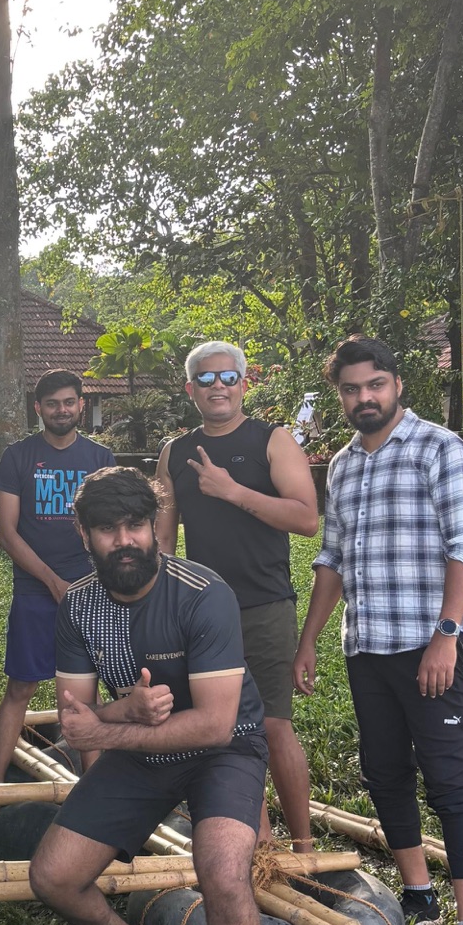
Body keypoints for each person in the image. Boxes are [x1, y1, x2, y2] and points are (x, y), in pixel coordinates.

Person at [29, 467, 272, 925]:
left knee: (221, 873)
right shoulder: (80, 605)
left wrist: (109, 729)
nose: (126, 540)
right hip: (140, 749)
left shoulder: (202, 593)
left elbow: (215, 724)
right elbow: (75, 718)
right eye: (108, 529)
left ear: (157, 527)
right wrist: (122, 717)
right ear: (84, 534)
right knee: (52, 876)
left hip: (227, 750)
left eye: (137, 525)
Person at [293, 335, 463, 925]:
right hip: (368, 647)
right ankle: (417, 892)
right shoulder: (344, 465)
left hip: (430, 646)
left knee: (451, 781)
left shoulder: (441, 449)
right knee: (384, 771)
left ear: (398, 384)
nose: (363, 399)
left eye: (374, 385)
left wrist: (445, 634)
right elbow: (332, 559)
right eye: (351, 390)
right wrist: (310, 640)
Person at [156, 341, 321, 853]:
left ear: (244, 384)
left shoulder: (274, 441)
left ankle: (304, 846)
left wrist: (233, 492)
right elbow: (163, 539)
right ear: (191, 390)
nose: (218, 387)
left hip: (265, 605)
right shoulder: (174, 452)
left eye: (228, 377)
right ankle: (256, 844)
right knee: (220, 729)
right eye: (205, 380)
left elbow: (307, 519)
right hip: (203, 612)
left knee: (273, 725)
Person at [0, 370, 114, 782]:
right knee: (20, 688)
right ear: (38, 408)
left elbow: (110, 527)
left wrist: (88, 583)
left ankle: (93, 786)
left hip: (92, 592)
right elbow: (7, 533)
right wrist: (52, 581)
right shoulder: (19, 457)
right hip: (34, 591)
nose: (62, 410)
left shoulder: (100, 460)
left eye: (69, 402)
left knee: (85, 692)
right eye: (52, 404)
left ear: (81, 404)